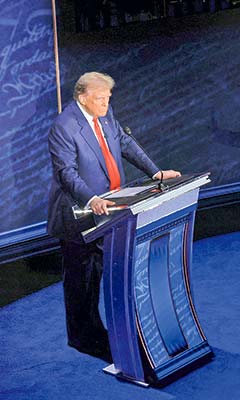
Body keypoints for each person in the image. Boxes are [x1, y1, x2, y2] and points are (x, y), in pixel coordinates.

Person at [47, 72, 181, 362]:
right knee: (82, 279)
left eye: (108, 98)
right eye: (100, 99)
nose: (106, 103)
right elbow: (66, 173)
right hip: (78, 216)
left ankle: (108, 333)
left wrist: (155, 172)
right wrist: (91, 198)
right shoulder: (64, 127)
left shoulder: (105, 114)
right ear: (83, 97)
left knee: (106, 271)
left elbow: (125, 143)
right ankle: (82, 337)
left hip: (111, 212)